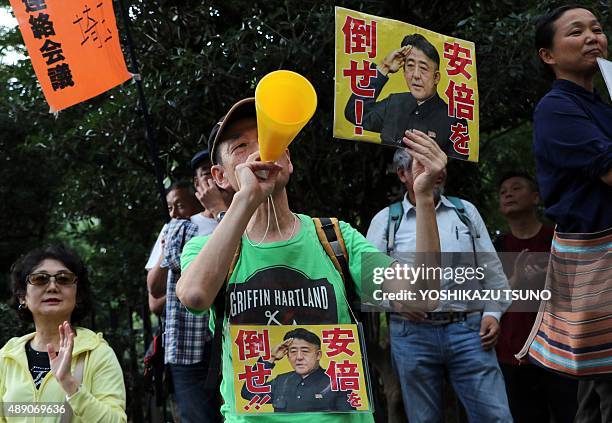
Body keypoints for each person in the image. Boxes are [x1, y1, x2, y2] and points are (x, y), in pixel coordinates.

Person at [176, 97, 446, 422]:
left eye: (270, 140)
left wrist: (425, 198)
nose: (259, 152)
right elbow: (194, 296)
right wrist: (247, 197)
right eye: (241, 147)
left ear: (287, 159)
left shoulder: (335, 237)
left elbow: (423, 295)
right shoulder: (206, 249)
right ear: (220, 176)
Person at [366, 148, 513, 422]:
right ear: (402, 174)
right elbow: (369, 283)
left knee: (496, 417)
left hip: (470, 330)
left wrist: (493, 313)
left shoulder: (465, 211)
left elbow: (492, 271)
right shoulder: (386, 220)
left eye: (440, 161)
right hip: (411, 335)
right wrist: (396, 303)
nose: (437, 169)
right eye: (424, 163)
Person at [529, 5, 612, 423]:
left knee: (597, 392)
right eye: (576, 32)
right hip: (598, 262)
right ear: (548, 55)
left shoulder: (602, 105)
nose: (592, 37)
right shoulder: (556, 108)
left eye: (597, 29)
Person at [146, 152, 230, 423]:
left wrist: (221, 211)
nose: (212, 175)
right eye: (205, 172)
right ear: (197, 186)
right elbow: (156, 290)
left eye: (216, 168)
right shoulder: (181, 228)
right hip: (189, 344)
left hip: (235, 339)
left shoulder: (251, 217)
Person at [1, 244, 127, 422]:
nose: (52, 287)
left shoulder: (98, 354)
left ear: (78, 295)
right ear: (22, 296)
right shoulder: (7, 357)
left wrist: (71, 385)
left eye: (64, 279)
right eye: (39, 279)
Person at [495, 171, 577, 423]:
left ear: (535, 197)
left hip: (560, 353)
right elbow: (488, 300)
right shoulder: (495, 248)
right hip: (513, 355)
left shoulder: (559, 239)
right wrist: (516, 279)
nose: (508, 194)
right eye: (503, 192)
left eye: (516, 188)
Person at [344, 33, 468, 160]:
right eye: (410, 66)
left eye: (423, 68)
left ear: (436, 77)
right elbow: (355, 112)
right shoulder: (394, 103)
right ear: (403, 71)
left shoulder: (454, 121)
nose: (415, 75)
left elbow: (457, 170)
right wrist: (384, 67)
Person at [241, 328, 354, 412]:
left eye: (305, 351)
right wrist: (270, 358)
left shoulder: (337, 383)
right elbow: (249, 393)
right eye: (293, 351)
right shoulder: (281, 380)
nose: (299, 357)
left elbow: (348, 419)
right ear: (287, 355)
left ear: (318, 355)